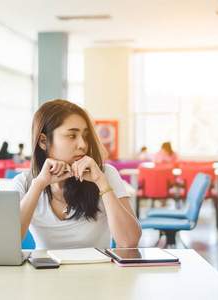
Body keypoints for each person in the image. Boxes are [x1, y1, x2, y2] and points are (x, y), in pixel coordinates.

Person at [11, 99, 142, 250]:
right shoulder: (24, 183)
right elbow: (8, 243)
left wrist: (101, 182)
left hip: (97, 272)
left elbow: (129, 242)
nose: (83, 145)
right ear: (43, 141)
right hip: (46, 272)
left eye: (85, 136)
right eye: (72, 136)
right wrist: (39, 184)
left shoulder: (105, 174)